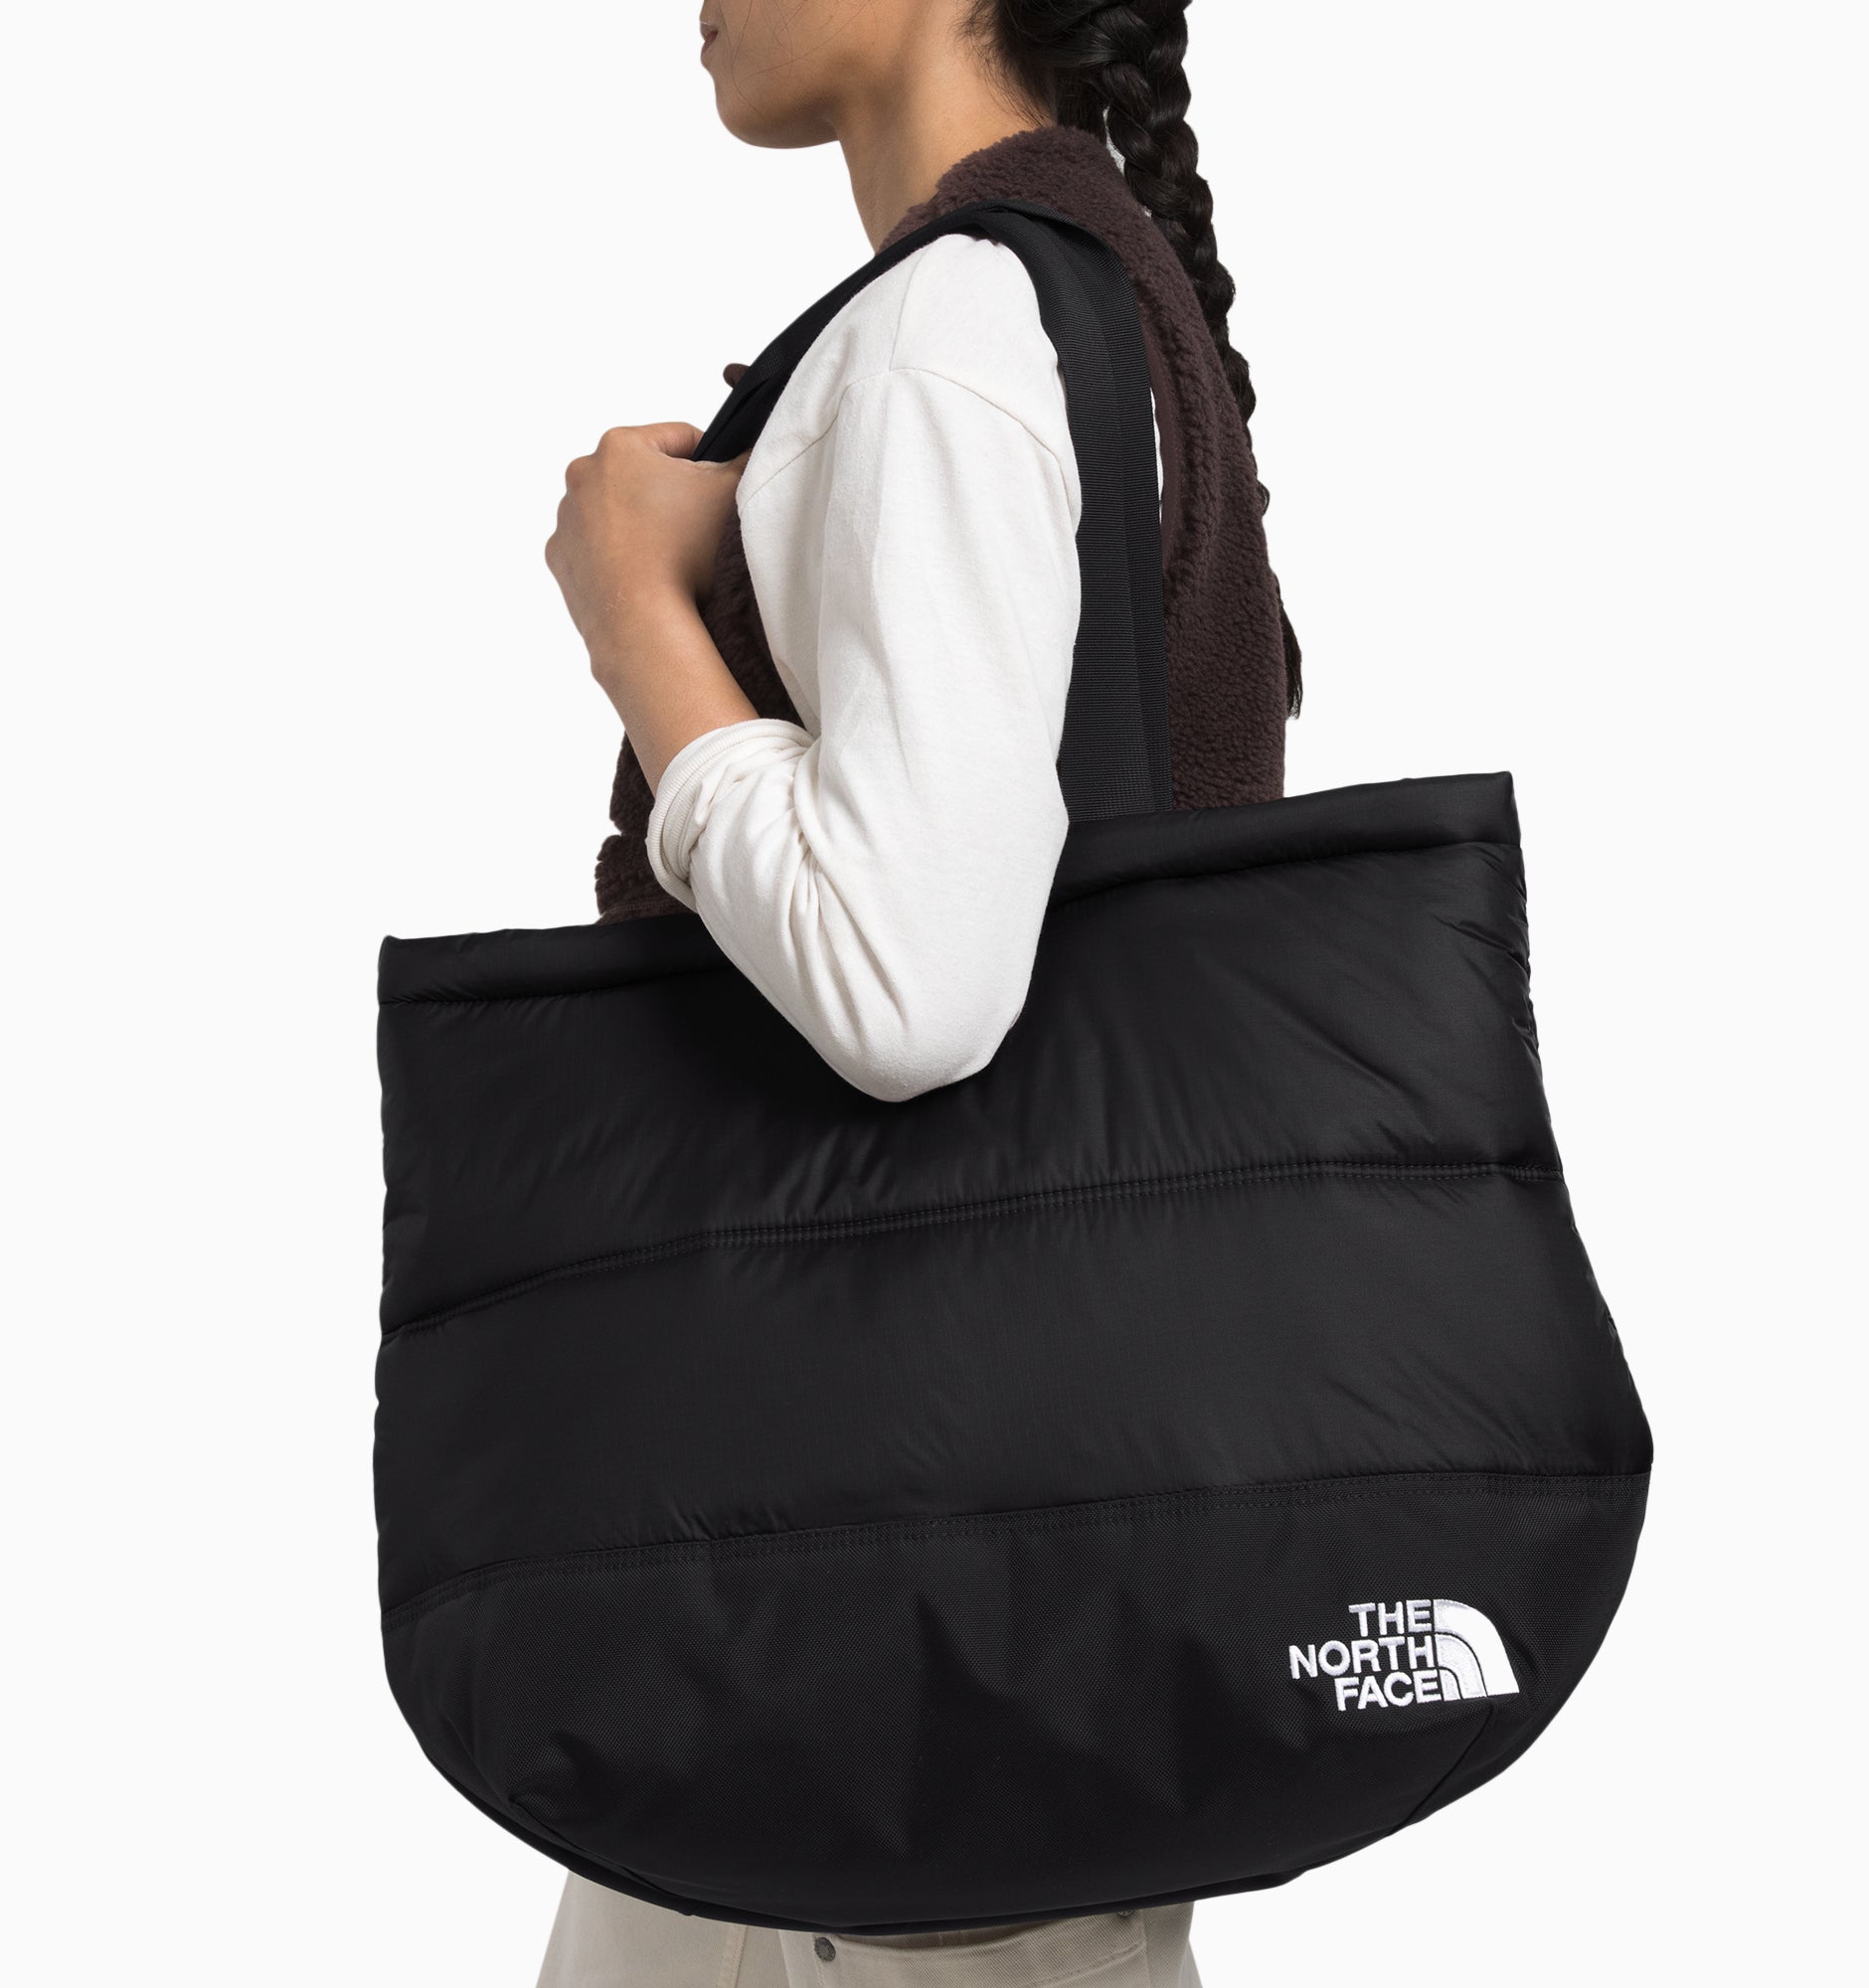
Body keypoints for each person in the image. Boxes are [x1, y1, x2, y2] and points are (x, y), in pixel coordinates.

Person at [539, 1, 1295, 1978]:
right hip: (1007, 1544)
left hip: (878, 1576)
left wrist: (636, 619)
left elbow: (906, 982)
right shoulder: (1091, 303)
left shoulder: (950, 332)